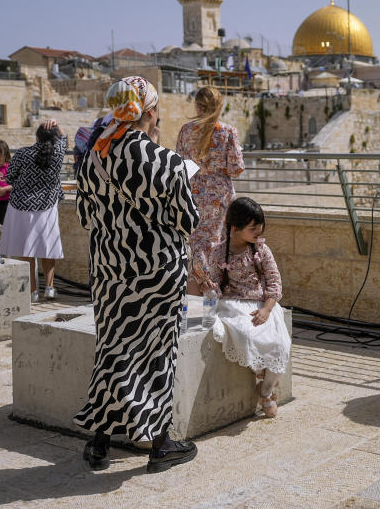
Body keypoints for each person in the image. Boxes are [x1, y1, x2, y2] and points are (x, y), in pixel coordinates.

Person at [73, 76, 200, 473]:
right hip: (157, 272)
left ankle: (98, 444)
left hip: (110, 271)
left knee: (113, 349)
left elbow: (85, 217)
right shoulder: (166, 161)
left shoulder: (94, 154)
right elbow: (188, 220)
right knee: (157, 354)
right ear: (150, 111)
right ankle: (160, 444)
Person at [210, 197, 289, 418]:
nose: (258, 233)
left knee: (280, 342)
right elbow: (215, 284)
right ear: (235, 227)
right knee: (245, 336)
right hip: (233, 305)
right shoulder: (218, 252)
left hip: (261, 304)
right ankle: (263, 379)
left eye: (260, 228)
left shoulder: (262, 250)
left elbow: (275, 282)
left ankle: (266, 390)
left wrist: (267, 308)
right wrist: (210, 287)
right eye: (253, 228)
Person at [176, 86, 244, 294]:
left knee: (197, 241)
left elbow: (179, 163)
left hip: (194, 193)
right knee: (219, 241)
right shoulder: (227, 131)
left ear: (197, 106)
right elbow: (236, 168)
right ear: (219, 106)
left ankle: (200, 285)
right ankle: (217, 288)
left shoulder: (186, 131)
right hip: (220, 197)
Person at [0, 120, 66, 302]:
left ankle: (33, 291)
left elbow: (10, 176)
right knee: (47, 247)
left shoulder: (22, 153)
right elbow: (65, 138)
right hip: (47, 206)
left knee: (26, 249)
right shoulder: (58, 153)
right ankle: (50, 288)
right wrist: (57, 126)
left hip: (21, 206)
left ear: (36, 137)